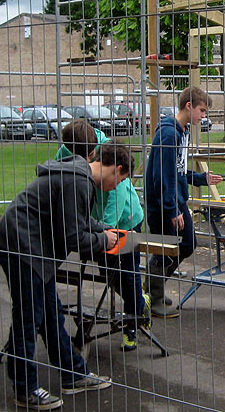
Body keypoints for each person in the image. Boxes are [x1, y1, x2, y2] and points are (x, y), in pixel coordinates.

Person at [0, 128, 132, 410]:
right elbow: (73, 238)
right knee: (28, 319)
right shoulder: (78, 182)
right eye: (120, 181)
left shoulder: (79, 175)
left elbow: (77, 221)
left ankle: (74, 374)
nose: (116, 187)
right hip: (21, 246)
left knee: (51, 315)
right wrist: (102, 240)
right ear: (116, 169)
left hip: (31, 247)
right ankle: (26, 389)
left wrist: (102, 228)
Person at [56, 120, 150, 351]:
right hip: (98, 221)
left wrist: (105, 229)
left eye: (87, 157)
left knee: (128, 273)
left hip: (125, 217)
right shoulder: (67, 150)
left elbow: (116, 197)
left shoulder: (108, 153)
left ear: (92, 151)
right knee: (108, 272)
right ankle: (139, 300)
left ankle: (132, 325)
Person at [145, 86, 223, 317]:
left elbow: (177, 171)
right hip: (163, 205)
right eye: (202, 110)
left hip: (173, 201)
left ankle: (151, 288)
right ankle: (153, 295)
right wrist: (172, 209)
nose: (203, 116)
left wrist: (200, 178)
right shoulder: (169, 134)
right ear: (189, 106)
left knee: (185, 244)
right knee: (168, 248)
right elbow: (164, 176)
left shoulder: (181, 131)